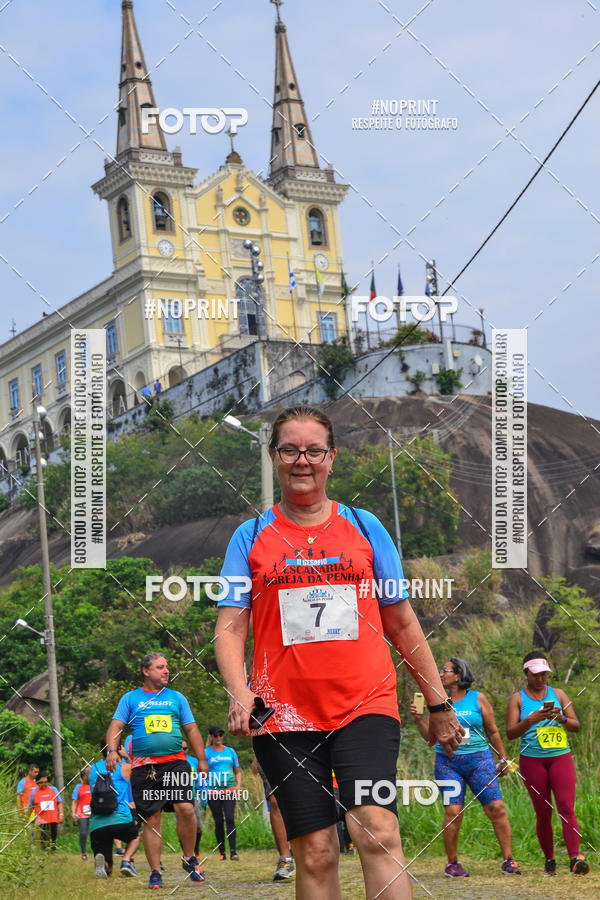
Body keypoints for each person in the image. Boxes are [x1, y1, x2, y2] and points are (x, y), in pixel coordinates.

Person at [215, 405, 464, 900]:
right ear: (273, 457)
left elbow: (401, 620)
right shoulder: (250, 538)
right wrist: (240, 691)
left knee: (377, 828)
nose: (301, 460)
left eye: (313, 450)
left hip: (364, 706)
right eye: (289, 450)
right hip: (282, 717)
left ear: (332, 457)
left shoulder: (365, 526)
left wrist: (437, 704)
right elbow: (229, 627)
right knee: (316, 851)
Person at [105, 651, 209, 890]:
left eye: (167, 667)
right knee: (152, 819)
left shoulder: (176, 698)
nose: (166, 671)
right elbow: (116, 726)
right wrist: (112, 751)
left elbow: (191, 730)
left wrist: (202, 759)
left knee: (186, 807)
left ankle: (190, 857)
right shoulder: (131, 699)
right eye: (161, 667)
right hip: (144, 767)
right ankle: (155, 873)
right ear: (146, 671)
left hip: (176, 762)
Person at [410, 657, 521, 877]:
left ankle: (508, 860)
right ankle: (452, 864)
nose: (441, 674)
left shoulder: (477, 698)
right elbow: (431, 739)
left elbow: (493, 731)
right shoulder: (437, 701)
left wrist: (502, 758)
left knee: (496, 808)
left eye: (445, 671)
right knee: (453, 812)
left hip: (480, 760)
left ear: (459, 675)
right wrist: (420, 719)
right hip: (448, 763)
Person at [506, 651, 590, 876]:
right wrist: (529, 720)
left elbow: (575, 725)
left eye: (544, 674)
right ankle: (550, 861)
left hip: (560, 757)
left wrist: (560, 718)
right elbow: (510, 733)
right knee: (543, 812)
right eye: (536, 674)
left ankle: (574, 859)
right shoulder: (518, 699)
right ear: (526, 673)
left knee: (566, 807)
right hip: (532, 761)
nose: (541, 678)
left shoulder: (559, 694)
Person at [89, 740, 140, 878]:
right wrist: (126, 756)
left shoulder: (92, 769)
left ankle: (104, 862)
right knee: (135, 837)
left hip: (97, 824)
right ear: (118, 748)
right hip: (121, 819)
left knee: (108, 867)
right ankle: (125, 860)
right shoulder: (124, 767)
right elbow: (135, 767)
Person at [252, 755, 295, 881]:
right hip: (268, 747)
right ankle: (285, 860)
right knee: (275, 800)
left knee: (297, 800)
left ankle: (303, 850)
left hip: (298, 743)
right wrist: (256, 756)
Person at [205, 726, 241, 861]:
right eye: (216, 735)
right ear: (211, 737)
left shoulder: (230, 752)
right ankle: (222, 852)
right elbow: (201, 773)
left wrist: (238, 786)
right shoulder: (206, 753)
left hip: (229, 790)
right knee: (218, 820)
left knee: (230, 818)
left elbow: (237, 771)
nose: (218, 738)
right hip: (212, 791)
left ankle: (233, 851)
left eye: (220, 735)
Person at [29, 772, 63, 850]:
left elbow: (59, 802)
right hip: (41, 818)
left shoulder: (53, 789)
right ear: (37, 782)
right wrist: (31, 817)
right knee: (43, 835)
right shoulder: (34, 792)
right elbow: (31, 807)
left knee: (53, 833)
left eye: (46, 782)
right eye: (41, 782)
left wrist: (61, 814)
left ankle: (52, 848)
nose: (44, 784)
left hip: (53, 817)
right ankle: (44, 850)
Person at [181, 739, 202, 856]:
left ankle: (196, 849)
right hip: (179, 797)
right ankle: (187, 852)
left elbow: (200, 780)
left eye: (185, 748)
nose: (183, 751)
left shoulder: (193, 761)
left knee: (197, 826)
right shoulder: (173, 761)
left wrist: (203, 793)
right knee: (182, 826)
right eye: (181, 748)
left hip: (194, 797)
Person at [71, 767, 92, 860]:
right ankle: (84, 852)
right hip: (82, 813)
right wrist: (73, 812)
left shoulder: (94, 785)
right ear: (82, 777)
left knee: (96, 833)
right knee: (83, 833)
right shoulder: (78, 787)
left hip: (94, 813)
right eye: (85, 776)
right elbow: (75, 801)